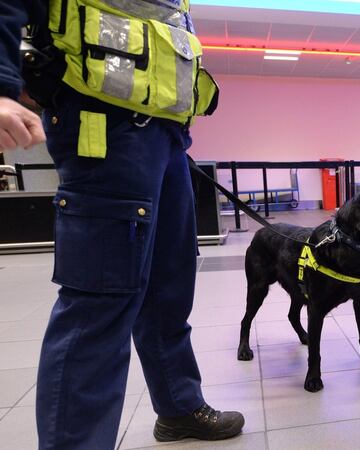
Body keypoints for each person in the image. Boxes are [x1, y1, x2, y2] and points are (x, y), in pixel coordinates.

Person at [1, 1, 243, 448]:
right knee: (99, 303)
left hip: (165, 136)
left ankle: (178, 407)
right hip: (102, 126)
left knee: (168, 290)